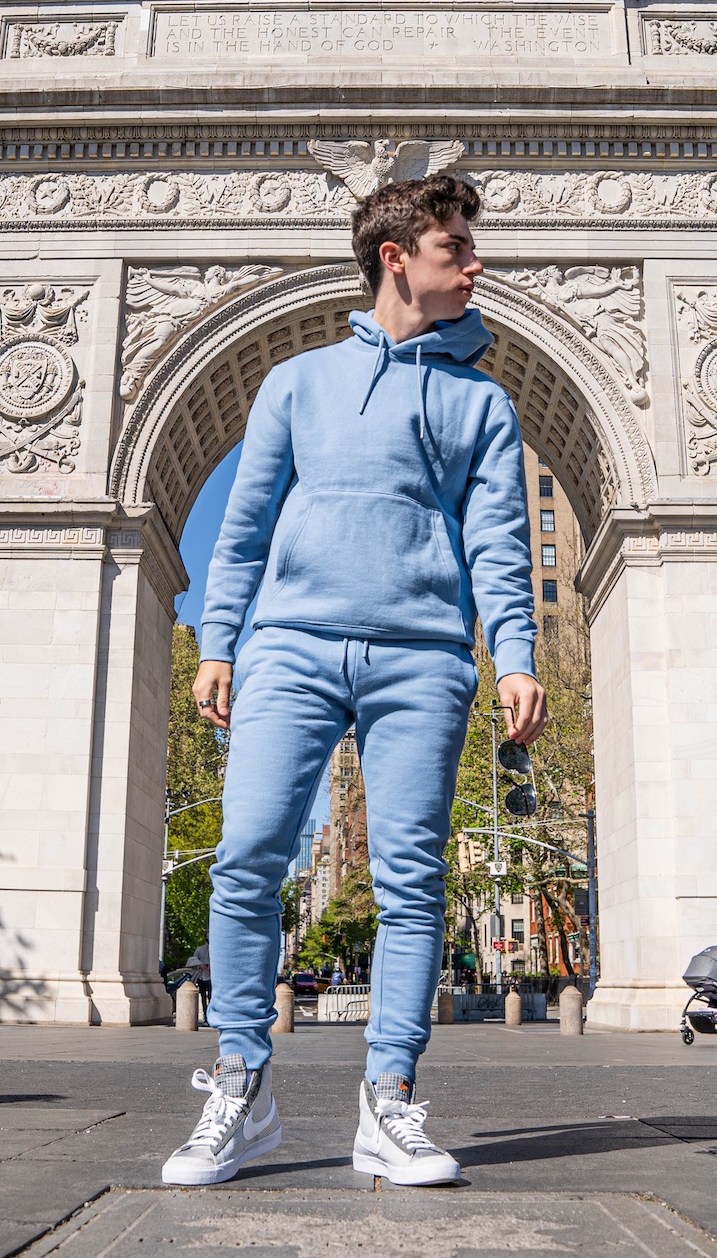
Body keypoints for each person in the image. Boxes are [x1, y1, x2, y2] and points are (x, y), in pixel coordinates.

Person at [162, 175, 546, 1187]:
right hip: (289, 646)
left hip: (422, 655)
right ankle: (241, 1081)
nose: (474, 264)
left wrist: (515, 655)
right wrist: (218, 643)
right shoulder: (294, 383)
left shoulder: (485, 402)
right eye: (455, 248)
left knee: (412, 881)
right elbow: (242, 525)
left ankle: (391, 1099)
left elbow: (501, 541)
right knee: (245, 858)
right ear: (396, 257)